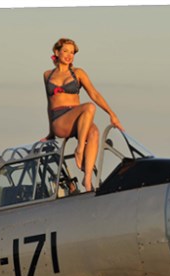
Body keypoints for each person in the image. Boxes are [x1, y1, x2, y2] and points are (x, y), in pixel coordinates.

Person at [42, 38, 124, 192]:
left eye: (72, 53)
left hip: (79, 117)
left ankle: (87, 180)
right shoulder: (47, 75)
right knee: (89, 107)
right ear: (56, 52)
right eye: (65, 51)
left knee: (94, 132)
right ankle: (80, 150)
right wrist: (51, 133)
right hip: (60, 120)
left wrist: (112, 114)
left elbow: (94, 93)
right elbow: (49, 104)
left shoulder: (78, 73)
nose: (69, 55)